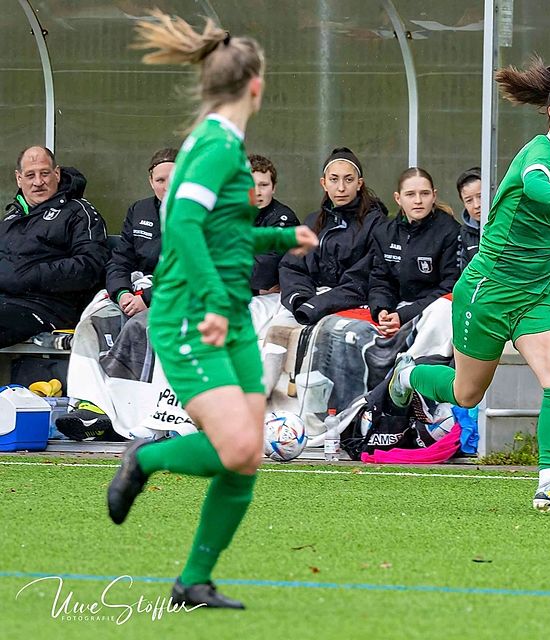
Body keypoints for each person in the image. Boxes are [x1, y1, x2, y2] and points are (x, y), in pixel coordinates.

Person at [107, 11, 318, 610]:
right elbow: (185, 228)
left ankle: (193, 581)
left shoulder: (221, 145)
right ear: (256, 85)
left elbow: (218, 236)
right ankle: (145, 455)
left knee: (246, 456)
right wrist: (215, 305)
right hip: (192, 316)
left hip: (223, 313)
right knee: (236, 449)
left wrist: (280, 240)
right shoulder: (218, 148)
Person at [389, 58, 550, 512]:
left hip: (536, 295)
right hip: (488, 289)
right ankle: (407, 373)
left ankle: (548, 481)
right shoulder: (539, 155)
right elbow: (535, 183)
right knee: (467, 393)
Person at [0, 146, 109, 347]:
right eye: (30, 175)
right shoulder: (10, 219)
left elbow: (91, 266)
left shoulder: (79, 211)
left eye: (45, 173)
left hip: (49, 309)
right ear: (19, 179)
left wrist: (31, 276)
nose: (38, 182)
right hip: (8, 303)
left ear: (57, 174)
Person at [278, 147, 386, 325]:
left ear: (359, 183)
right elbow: (291, 267)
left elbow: (364, 279)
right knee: (275, 337)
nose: (341, 188)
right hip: (310, 302)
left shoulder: (376, 223)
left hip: (354, 307)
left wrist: (318, 305)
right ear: (324, 183)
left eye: (348, 180)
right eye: (334, 180)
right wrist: (300, 299)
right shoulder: (313, 221)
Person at [368, 167, 461, 338]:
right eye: (410, 194)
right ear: (398, 198)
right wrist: (382, 310)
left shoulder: (450, 231)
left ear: (434, 195)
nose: (418, 200)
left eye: (424, 194)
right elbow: (380, 280)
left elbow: (450, 288)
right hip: (395, 312)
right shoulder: (384, 232)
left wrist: (404, 315)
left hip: (436, 314)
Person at [105, 147, 177, 315]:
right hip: (136, 295)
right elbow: (120, 261)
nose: (168, 187)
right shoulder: (139, 210)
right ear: (151, 182)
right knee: (95, 323)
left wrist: (147, 298)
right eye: (160, 180)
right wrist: (122, 293)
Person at [248, 154, 300, 295]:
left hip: (276, 299)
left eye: (263, 185)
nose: (257, 192)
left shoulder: (284, 218)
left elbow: (263, 271)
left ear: (274, 187)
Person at [456, 166, 482, 270]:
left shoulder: (507, 225)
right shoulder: (464, 233)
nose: (476, 205)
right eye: (469, 200)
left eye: (481, 196)